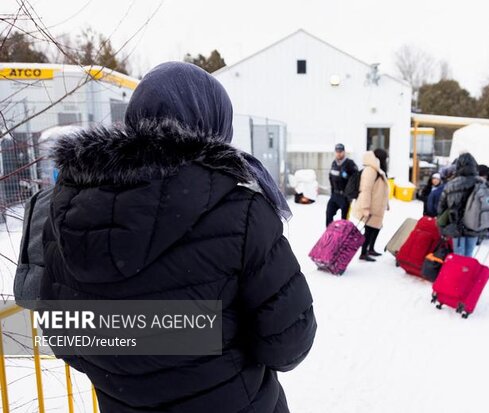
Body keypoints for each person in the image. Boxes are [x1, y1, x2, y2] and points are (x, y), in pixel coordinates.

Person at [41, 62, 317, 413]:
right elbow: (289, 342)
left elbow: (65, 335)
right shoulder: (240, 210)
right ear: (213, 124)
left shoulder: (68, 207)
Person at [437, 153, 488, 257]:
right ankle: (466, 270)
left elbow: (442, 206)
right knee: (469, 253)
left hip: (457, 224)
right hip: (474, 224)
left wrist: (442, 223)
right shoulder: (481, 182)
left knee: (458, 255)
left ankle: (459, 270)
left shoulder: (452, 184)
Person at [353, 149, 390, 262]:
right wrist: (365, 208)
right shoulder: (370, 170)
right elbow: (365, 190)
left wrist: (386, 204)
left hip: (378, 206)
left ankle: (371, 249)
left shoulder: (377, 170)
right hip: (371, 206)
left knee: (376, 228)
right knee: (369, 230)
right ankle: (364, 253)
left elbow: (382, 189)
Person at [326, 143, 358, 226]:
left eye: (340, 151)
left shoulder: (350, 164)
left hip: (345, 197)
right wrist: (332, 192)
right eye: (337, 151)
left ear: (344, 152)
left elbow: (356, 179)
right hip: (335, 195)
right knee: (328, 214)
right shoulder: (334, 163)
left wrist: (350, 195)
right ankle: (329, 235)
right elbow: (331, 178)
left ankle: (343, 236)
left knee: (344, 221)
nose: (338, 153)